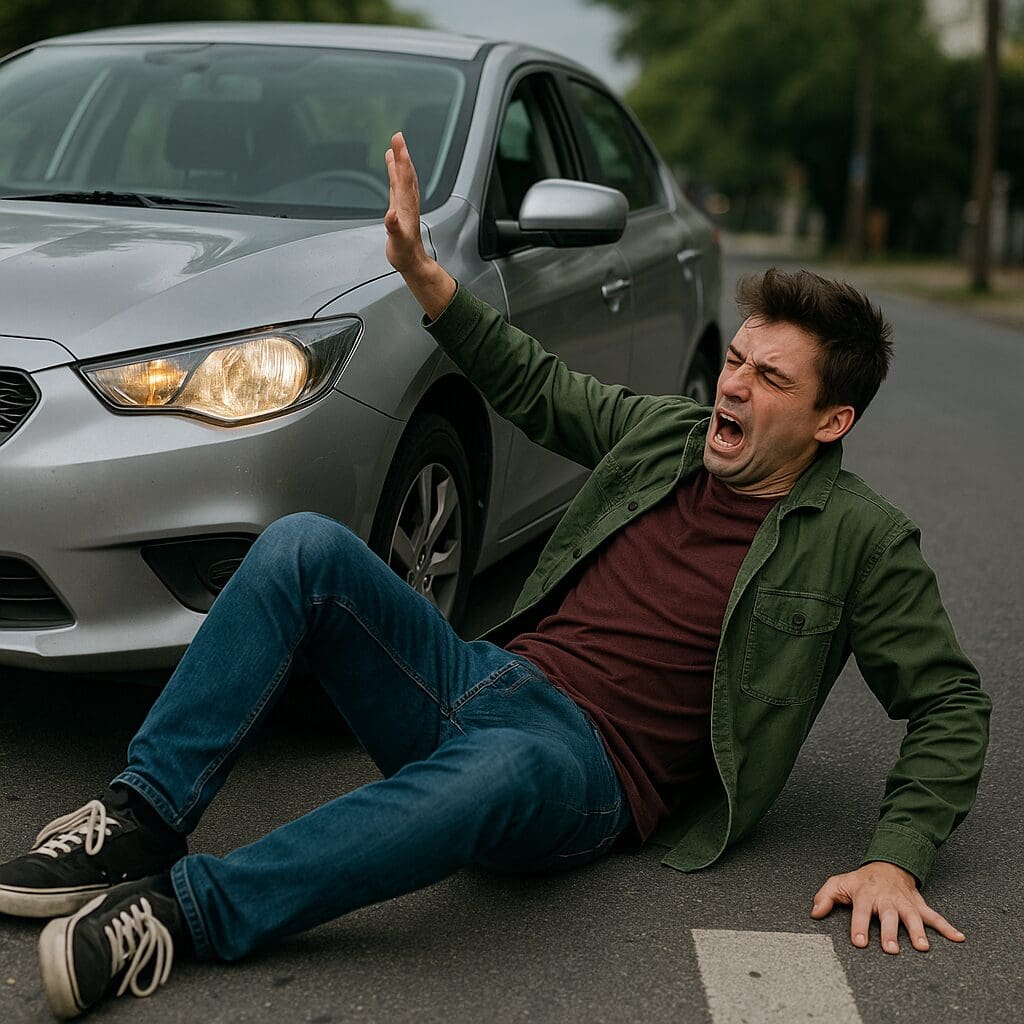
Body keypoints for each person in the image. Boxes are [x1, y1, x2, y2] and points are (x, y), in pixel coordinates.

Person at [0, 132, 990, 1019]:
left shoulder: (863, 539)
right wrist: (426, 278)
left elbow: (949, 703)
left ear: (830, 422)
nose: (732, 384)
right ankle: (140, 820)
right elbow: (534, 384)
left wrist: (895, 856)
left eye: (769, 379)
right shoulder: (668, 437)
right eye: (735, 361)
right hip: (476, 675)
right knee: (305, 546)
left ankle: (186, 916)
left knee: (502, 765)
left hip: (586, 772)